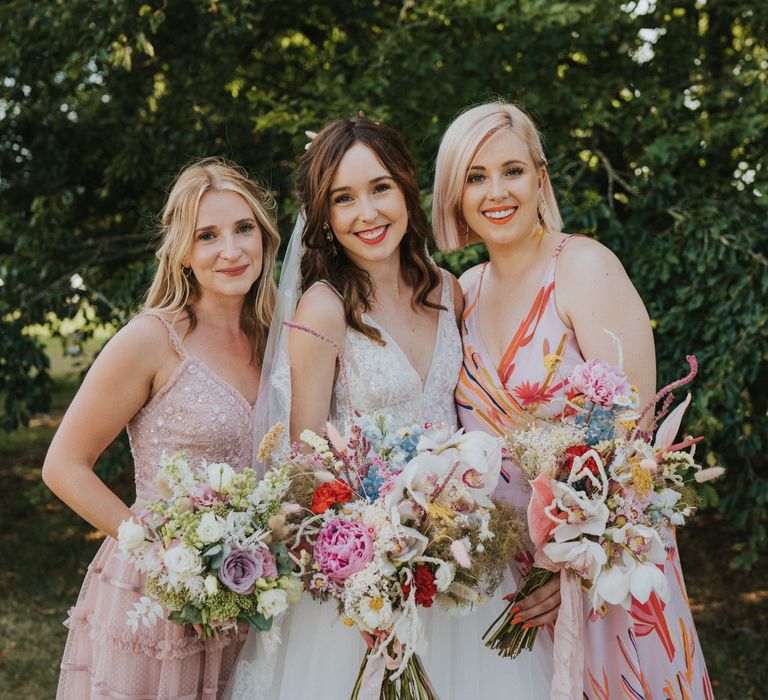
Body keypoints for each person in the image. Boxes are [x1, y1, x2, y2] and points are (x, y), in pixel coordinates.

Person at [225, 115, 554, 699]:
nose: (367, 213)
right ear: (325, 217)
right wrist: (373, 553)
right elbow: (304, 465)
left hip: (463, 558)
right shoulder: (324, 309)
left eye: (379, 188)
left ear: (406, 187)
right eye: (343, 199)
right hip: (367, 577)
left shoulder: (449, 290)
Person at [432, 101, 712, 698]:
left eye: (512, 170)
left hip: (608, 574)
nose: (495, 192)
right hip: (509, 586)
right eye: (475, 177)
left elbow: (637, 449)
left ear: (541, 175)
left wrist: (568, 567)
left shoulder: (584, 268)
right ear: (455, 194)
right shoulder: (463, 294)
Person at [42, 158, 281, 699]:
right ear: (184, 252)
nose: (232, 249)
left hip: (256, 589)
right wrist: (160, 555)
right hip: (160, 593)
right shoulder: (151, 340)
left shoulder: (277, 342)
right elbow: (62, 465)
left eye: (244, 229)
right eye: (208, 235)